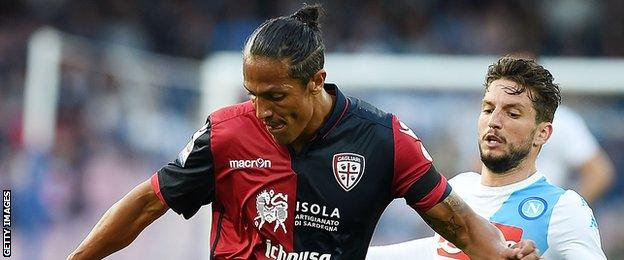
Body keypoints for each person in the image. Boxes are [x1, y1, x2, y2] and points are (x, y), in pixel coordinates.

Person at [68, 6, 538, 260]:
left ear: (316, 81)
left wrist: (502, 254)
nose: (261, 110)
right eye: (252, 94)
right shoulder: (227, 133)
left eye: (275, 96)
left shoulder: (383, 140)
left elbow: (457, 223)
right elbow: (147, 202)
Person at [367, 56, 607, 259]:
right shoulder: (459, 187)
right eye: (488, 109)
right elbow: (435, 251)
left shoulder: (564, 208)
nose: (494, 122)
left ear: (542, 133)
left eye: (512, 113)